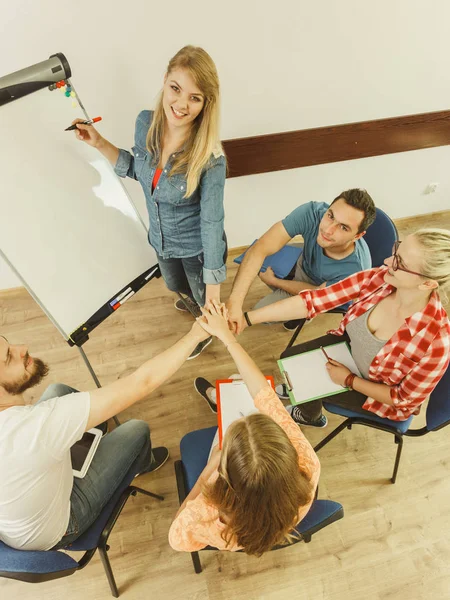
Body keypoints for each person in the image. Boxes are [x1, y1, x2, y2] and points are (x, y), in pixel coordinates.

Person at [73, 46, 227, 359]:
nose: (182, 104)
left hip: (196, 251)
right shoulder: (146, 124)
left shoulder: (211, 159)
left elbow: (212, 225)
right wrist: (99, 142)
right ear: (165, 81)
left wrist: (213, 295)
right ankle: (192, 304)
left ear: (206, 103)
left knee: (200, 295)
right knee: (174, 285)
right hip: (160, 241)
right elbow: (136, 170)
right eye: (176, 89)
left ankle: (203, 328)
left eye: (195, 98)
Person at [0, 322, 210, 551]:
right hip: (59, 526)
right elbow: (142, 383)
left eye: (9, 345)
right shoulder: (36, 428)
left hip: (18, 519)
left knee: (58, 391)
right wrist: (196, 334)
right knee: (137, 429)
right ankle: (142, 462)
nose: (23, 348)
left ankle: (98, 429)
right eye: (9, 357)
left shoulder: (31, 428)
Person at [239, 229, 450, 427]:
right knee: (290, 359)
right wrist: (246, 318)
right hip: (346, 350)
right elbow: (314, 300)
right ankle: (300, 392)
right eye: (396, 251)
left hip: (372, 391)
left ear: (428, 284)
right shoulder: (379, 278)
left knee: (302, 381)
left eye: (399, 262)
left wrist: (349, 380)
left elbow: (401, 399)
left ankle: (309, 415)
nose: (387, 262)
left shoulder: (436, 343)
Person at [169, 301, 320, 556]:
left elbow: (176, 537)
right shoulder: (309, 464)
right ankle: (218, 398)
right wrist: (228, 339)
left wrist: (208, 471)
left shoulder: (207, 510)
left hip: (231, 528)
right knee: (240, 382)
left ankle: (217, 399)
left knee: (234, 386)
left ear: (225, 472)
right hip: (279, 523)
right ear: (287, 447)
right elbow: (265, 394)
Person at [226, 189, 376, 334]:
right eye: (330, 216)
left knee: (262, 310)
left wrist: (275, 282)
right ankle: (288, 299)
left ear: (358, 236)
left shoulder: (355, 272)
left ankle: (298, 316)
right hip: (304, 259)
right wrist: (234, 303)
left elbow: (315, 297)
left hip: (320, 288)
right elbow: (260, 248)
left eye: (343, 227)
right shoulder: (313, 212)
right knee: (258, 260)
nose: (328, 230)